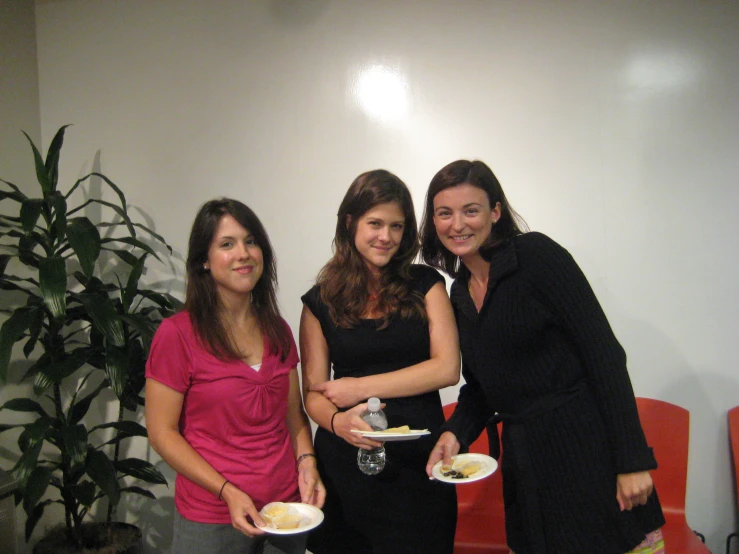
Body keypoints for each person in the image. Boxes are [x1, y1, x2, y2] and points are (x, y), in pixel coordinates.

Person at [420, 160, 665, 554]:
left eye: (471, 210)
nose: (458, 224)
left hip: (585, 449)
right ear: (433, 222)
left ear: (495, 212)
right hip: (526, 464)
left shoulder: (537, 257)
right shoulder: (460, 293)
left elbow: (604, 356)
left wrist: (633, 460)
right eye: (444, 213)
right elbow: (483, 387)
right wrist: (455, 433)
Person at [146, 198, 325, 554]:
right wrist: (226, 490)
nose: (243, 253)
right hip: (212, 514)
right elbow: (161, 433)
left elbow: (293, 416)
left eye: (251, 241)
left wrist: (307, 463)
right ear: (204, 261)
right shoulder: (176, 334)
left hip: (285, 510)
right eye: (226, 244)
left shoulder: (278, 329)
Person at [300, 169, 460, 553]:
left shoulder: (426, 284)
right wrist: (339, 423)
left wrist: (359, 387)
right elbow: (314, 395)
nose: (385, 236)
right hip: (346, 468)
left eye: (396, 226)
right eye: (375, 223)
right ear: (350, 222)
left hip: (418, 465)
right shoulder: (320, 301)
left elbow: (446, 368)